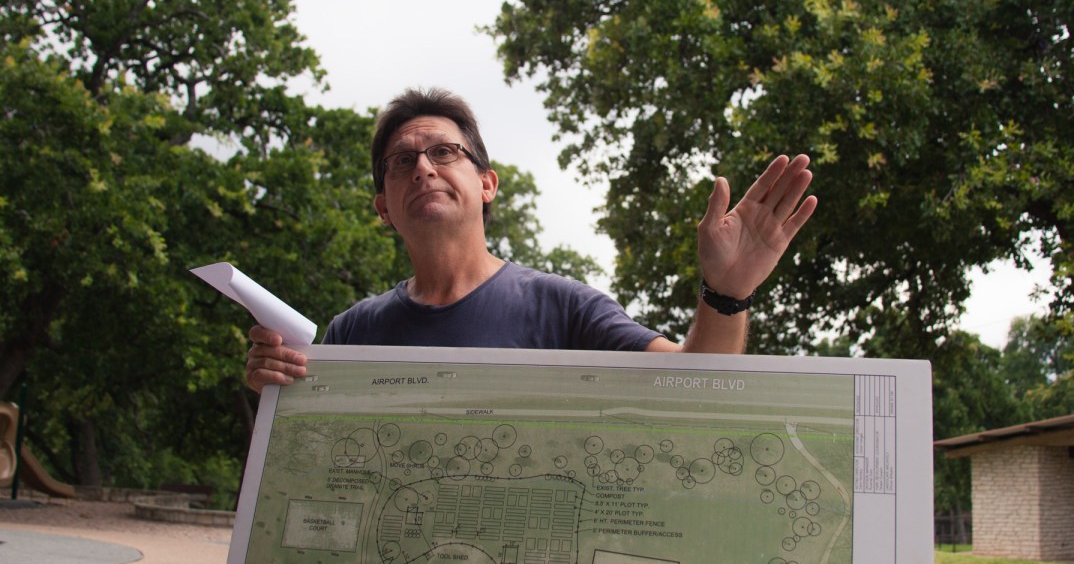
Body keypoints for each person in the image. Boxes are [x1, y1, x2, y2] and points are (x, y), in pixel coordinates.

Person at [245, 87, 817, 392]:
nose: (422, 168)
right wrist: (274, 388)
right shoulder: (352, 334)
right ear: (383, 210)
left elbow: (695, 382)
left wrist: (728, 291)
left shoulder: (566, 309)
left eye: (444, 152)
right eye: (401, 162)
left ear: (487, 183)